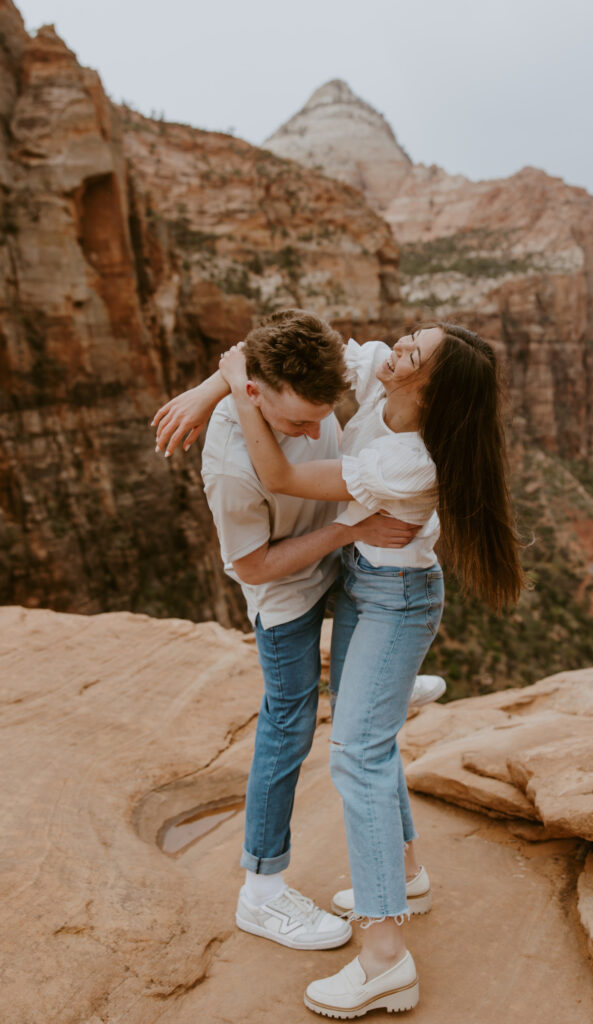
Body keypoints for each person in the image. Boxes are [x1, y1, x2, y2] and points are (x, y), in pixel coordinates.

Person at [217, 320, 526, 1018]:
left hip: (397, 600)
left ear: (429, 388)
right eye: (405, 340)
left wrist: (240, 390)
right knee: (369, 743)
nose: (392, 348)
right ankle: (407, 873)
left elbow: (282, 475)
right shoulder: (387, 373)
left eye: (410, 352)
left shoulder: (409, 462)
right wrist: (227, 372)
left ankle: (385, 959)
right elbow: (293, 346)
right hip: (361, 578)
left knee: (356, 755)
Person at [151, 310, 445, 958]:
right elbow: (252, 565)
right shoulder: (233, 463)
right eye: (296, 425)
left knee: (361, 706)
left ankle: (373, 687)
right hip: (287, 590)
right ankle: (260, 888)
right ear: (253, 397)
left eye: (322, 418)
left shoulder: (304, 382)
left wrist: (214, 382)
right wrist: (348, 531)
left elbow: (251, 351)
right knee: (287, 722)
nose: (316, 432)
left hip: (340, 562)